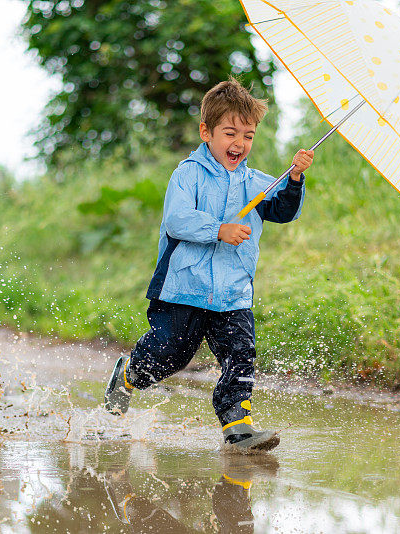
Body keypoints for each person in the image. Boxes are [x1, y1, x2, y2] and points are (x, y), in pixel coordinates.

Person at [103, 77, 314, 453]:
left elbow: (283, 210)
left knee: (240, 354)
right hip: (184, 287)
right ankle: (129, 374)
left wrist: (295, 177)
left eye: (248, 136)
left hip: (233, 291)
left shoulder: (258, 183)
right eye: (230, 133)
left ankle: (238, 427)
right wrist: (219, 229)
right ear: (206, 132)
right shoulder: (188, 174)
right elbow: (177, 220)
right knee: (172, 353)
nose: (239, 144)